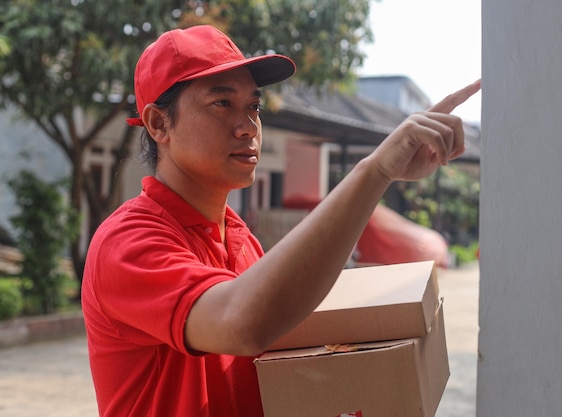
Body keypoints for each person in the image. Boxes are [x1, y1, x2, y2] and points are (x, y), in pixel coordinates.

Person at [81, 24, 481, 417]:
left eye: (253, 106)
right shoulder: (127, 241)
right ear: (157, 124)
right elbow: (242, 324)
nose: (248, 127)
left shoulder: (240, 241)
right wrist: (373, 172)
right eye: (222, 103)